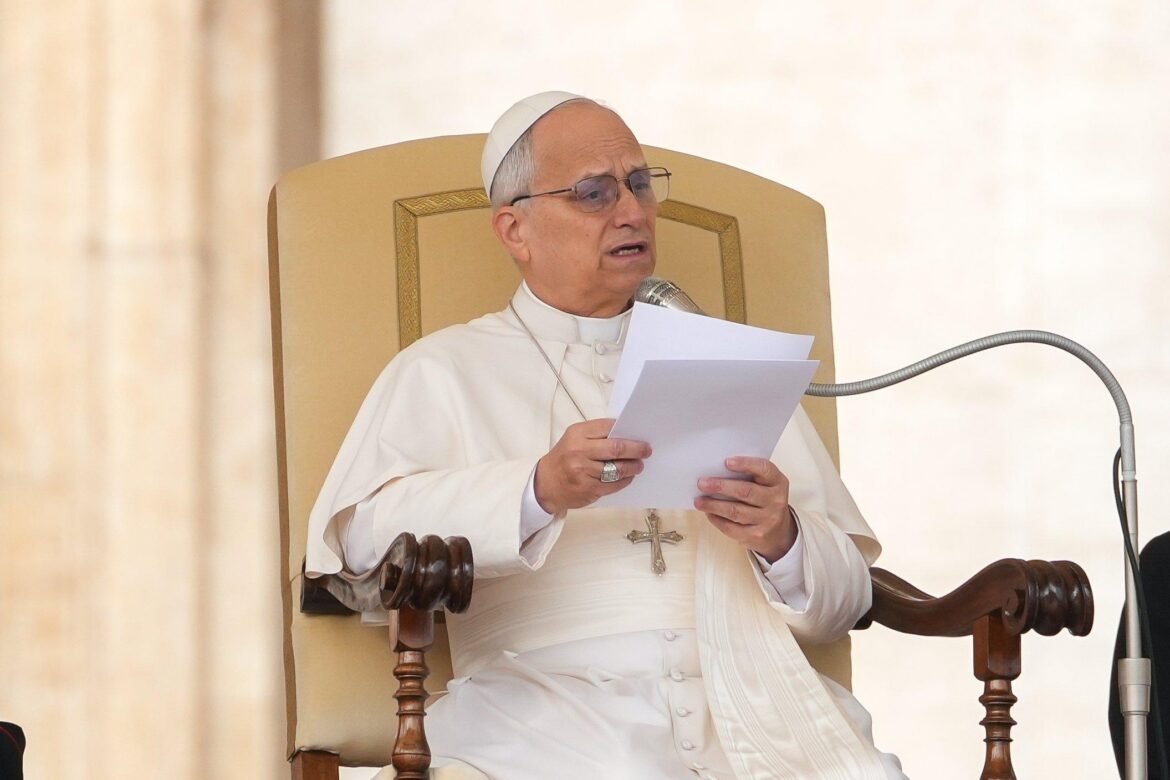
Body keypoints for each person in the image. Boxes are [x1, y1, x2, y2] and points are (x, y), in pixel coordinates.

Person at [306, 91, 905, 779]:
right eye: (594, 193)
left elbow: (846, 601)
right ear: (515, 231)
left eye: (642, 185)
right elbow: (358, 543)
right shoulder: (442, 370)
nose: (633, 211)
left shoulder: (722, 366)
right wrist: (536, 490)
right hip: (544, 718)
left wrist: (783, 538)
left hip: (758, 711)